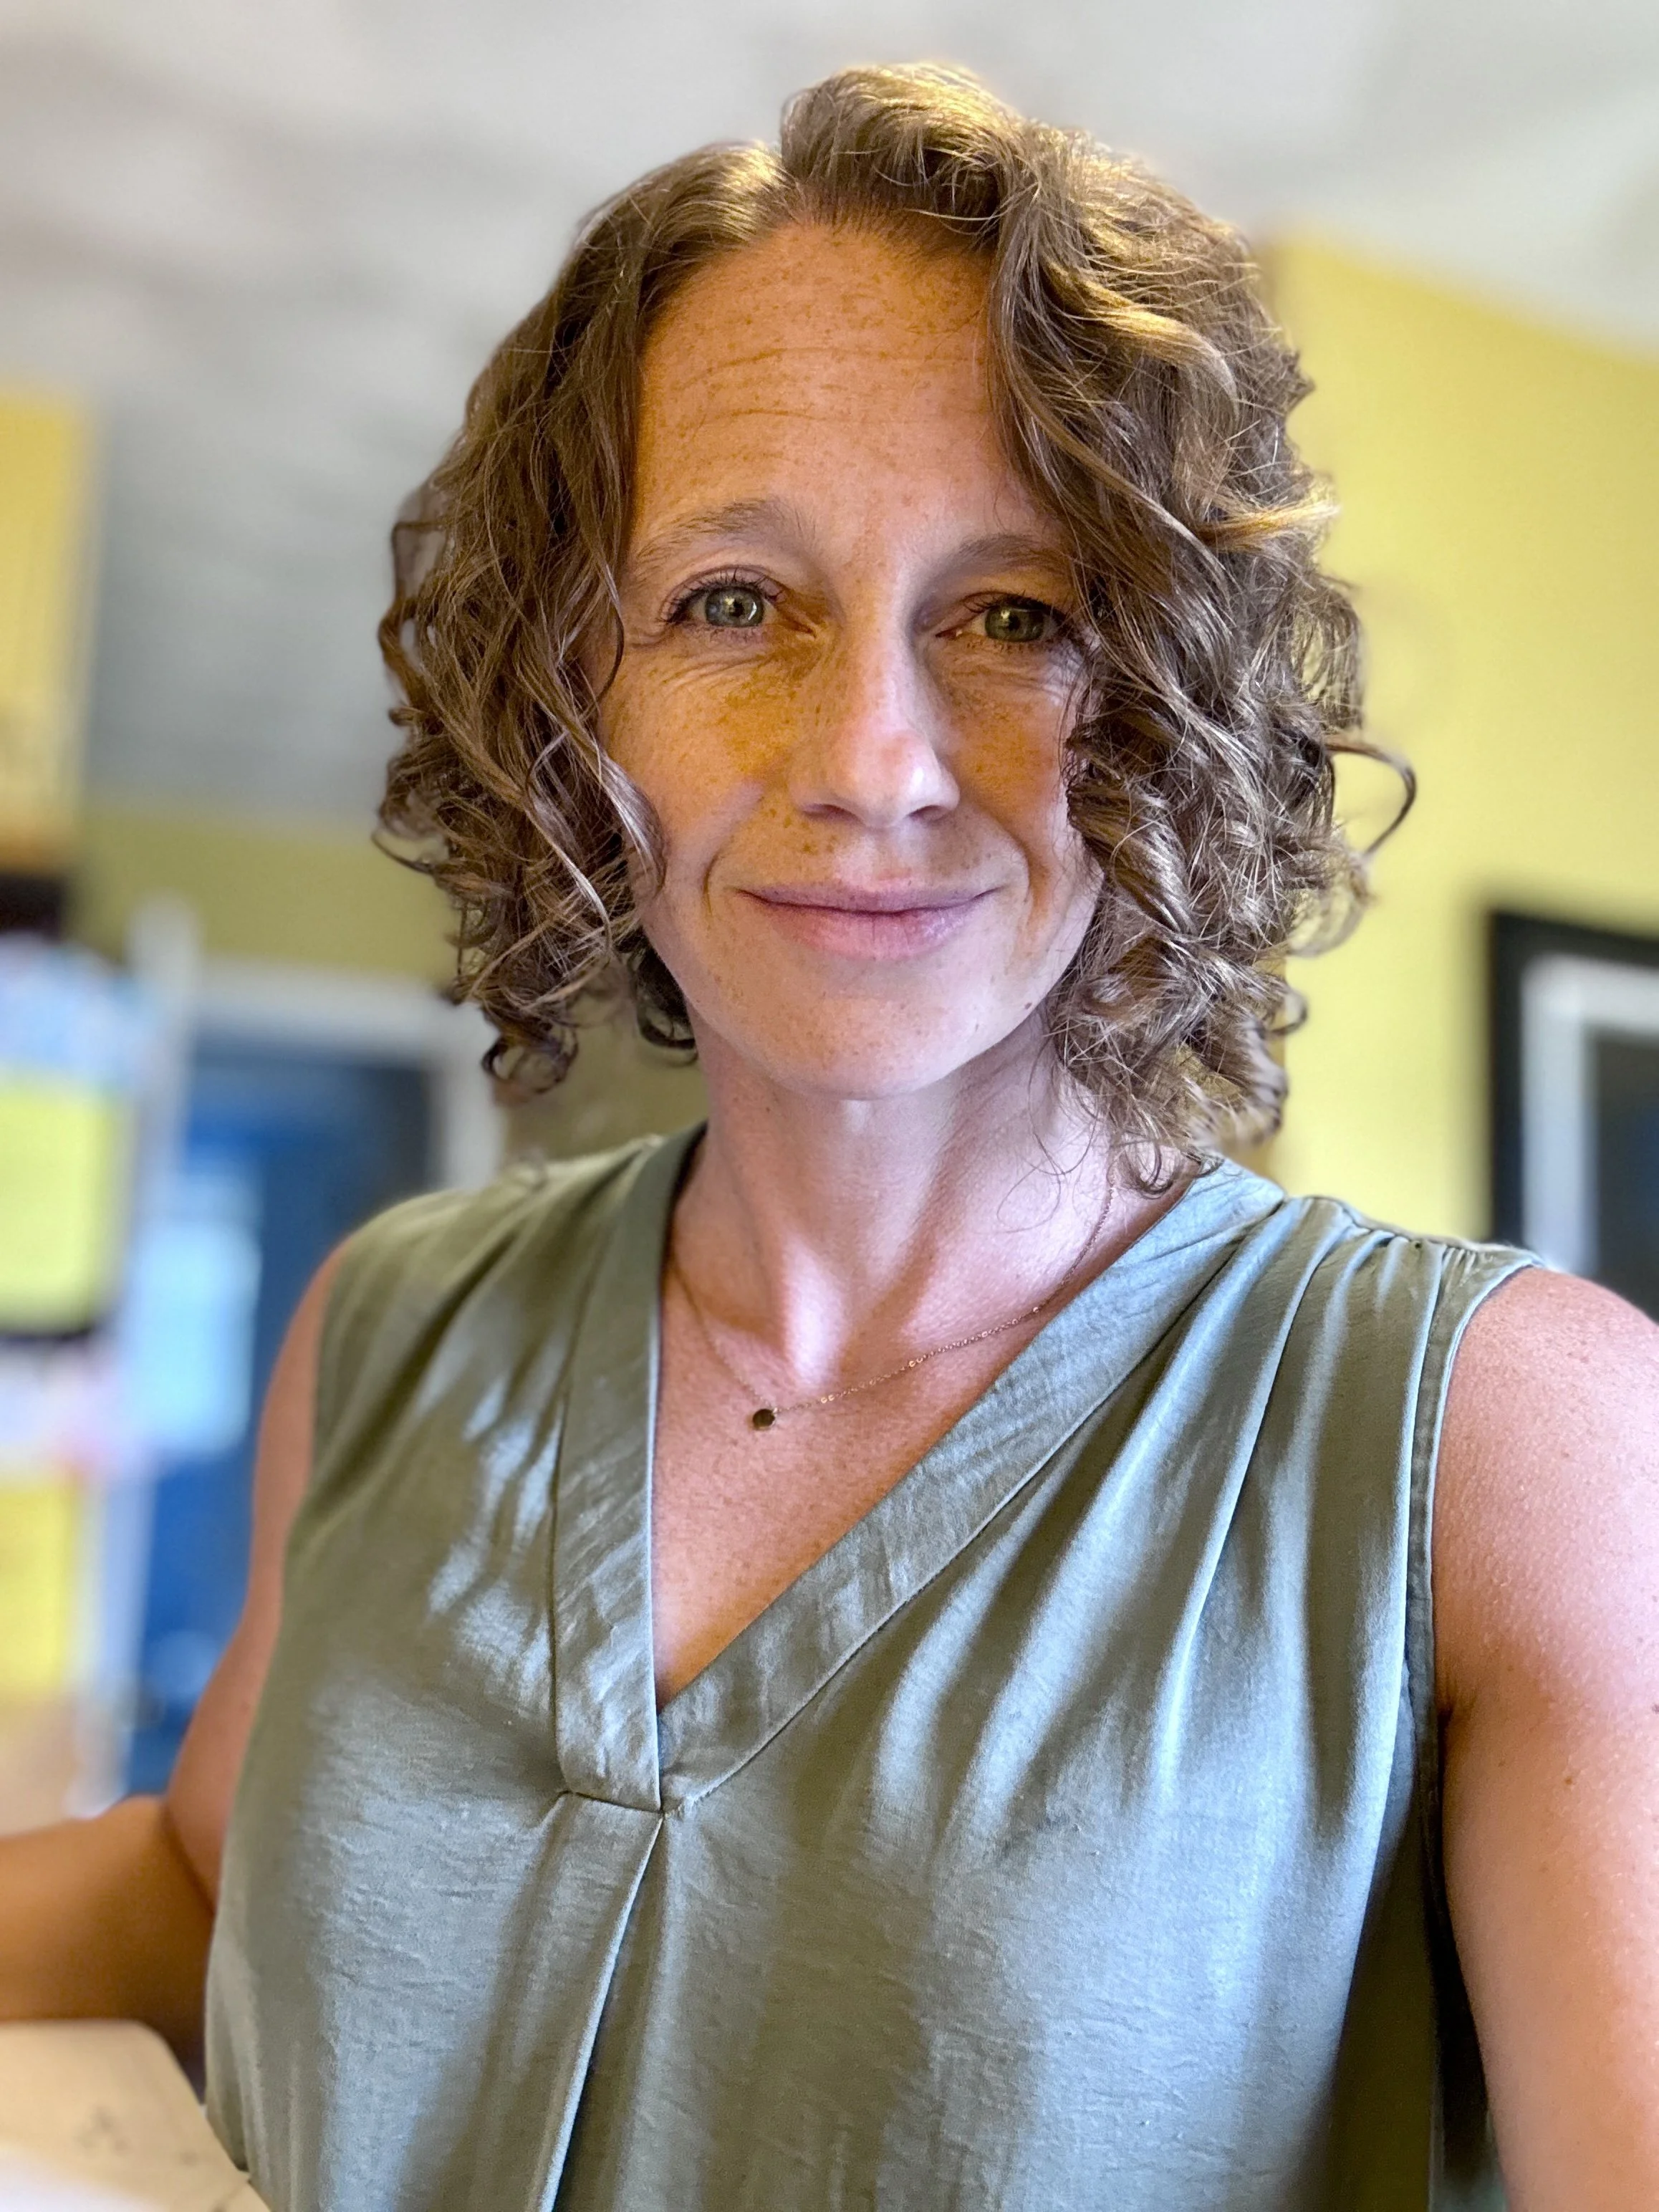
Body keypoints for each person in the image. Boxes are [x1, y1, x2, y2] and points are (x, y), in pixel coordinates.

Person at [3, 63, 1656, 2212]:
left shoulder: (1514, 1448)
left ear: (1172, 693)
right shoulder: (393, 1326)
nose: (868, 755)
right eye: (727, 603)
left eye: (1016, 614)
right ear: (569, 699)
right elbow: (209, 1886)